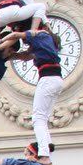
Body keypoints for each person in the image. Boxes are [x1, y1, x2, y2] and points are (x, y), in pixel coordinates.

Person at [22, 16, 65, 157]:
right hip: (56, 79)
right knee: (44, 117)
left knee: (38, 118)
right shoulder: (48, 44)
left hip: (47, 79)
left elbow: (20, 37)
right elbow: (26, 55)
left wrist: (1, 40)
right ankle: (47, 144)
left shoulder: (42, 35)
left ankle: (44, 153)